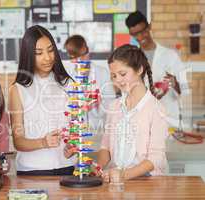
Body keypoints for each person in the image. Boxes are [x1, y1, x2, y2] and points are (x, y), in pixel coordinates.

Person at [9, 25, 76, 176]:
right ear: (28, 55)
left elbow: (76, 129)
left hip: (67, 167)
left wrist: (72, 146)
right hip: (32, 171)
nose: (47, 57)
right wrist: (43, 142)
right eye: (39, 53)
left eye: (51, 50)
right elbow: (18, 141)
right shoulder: (18, 89)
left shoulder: (68, 84)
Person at [97, 44, 168, 181]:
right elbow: (105, 147)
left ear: (139, 69)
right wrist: (97, 168)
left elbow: (156, 158)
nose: (117, 80)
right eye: (113, 76)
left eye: (122, 74)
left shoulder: (156, 109)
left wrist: (123, 175)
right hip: (118, 180)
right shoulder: (114, 107)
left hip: (147, 182)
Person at [125, 11, 189, 127]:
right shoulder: (131, 60)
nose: (139, 37)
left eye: (142, 31)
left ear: (149, 27)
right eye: (135, 34)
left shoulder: (171, 56)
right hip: (142, 121)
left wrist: (174, 84)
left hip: (168, 120)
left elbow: (185, 90)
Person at [64, 35, 115, 130]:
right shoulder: (67, 77)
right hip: (74, 131)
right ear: (71, 58)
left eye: (84, 55)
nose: (82, 60)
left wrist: (97, 105)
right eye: (77, 57)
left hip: (97, 128)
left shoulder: (102, 72)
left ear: (88, 51)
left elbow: (112, 102)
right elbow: (62, 106)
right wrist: (73, 105)